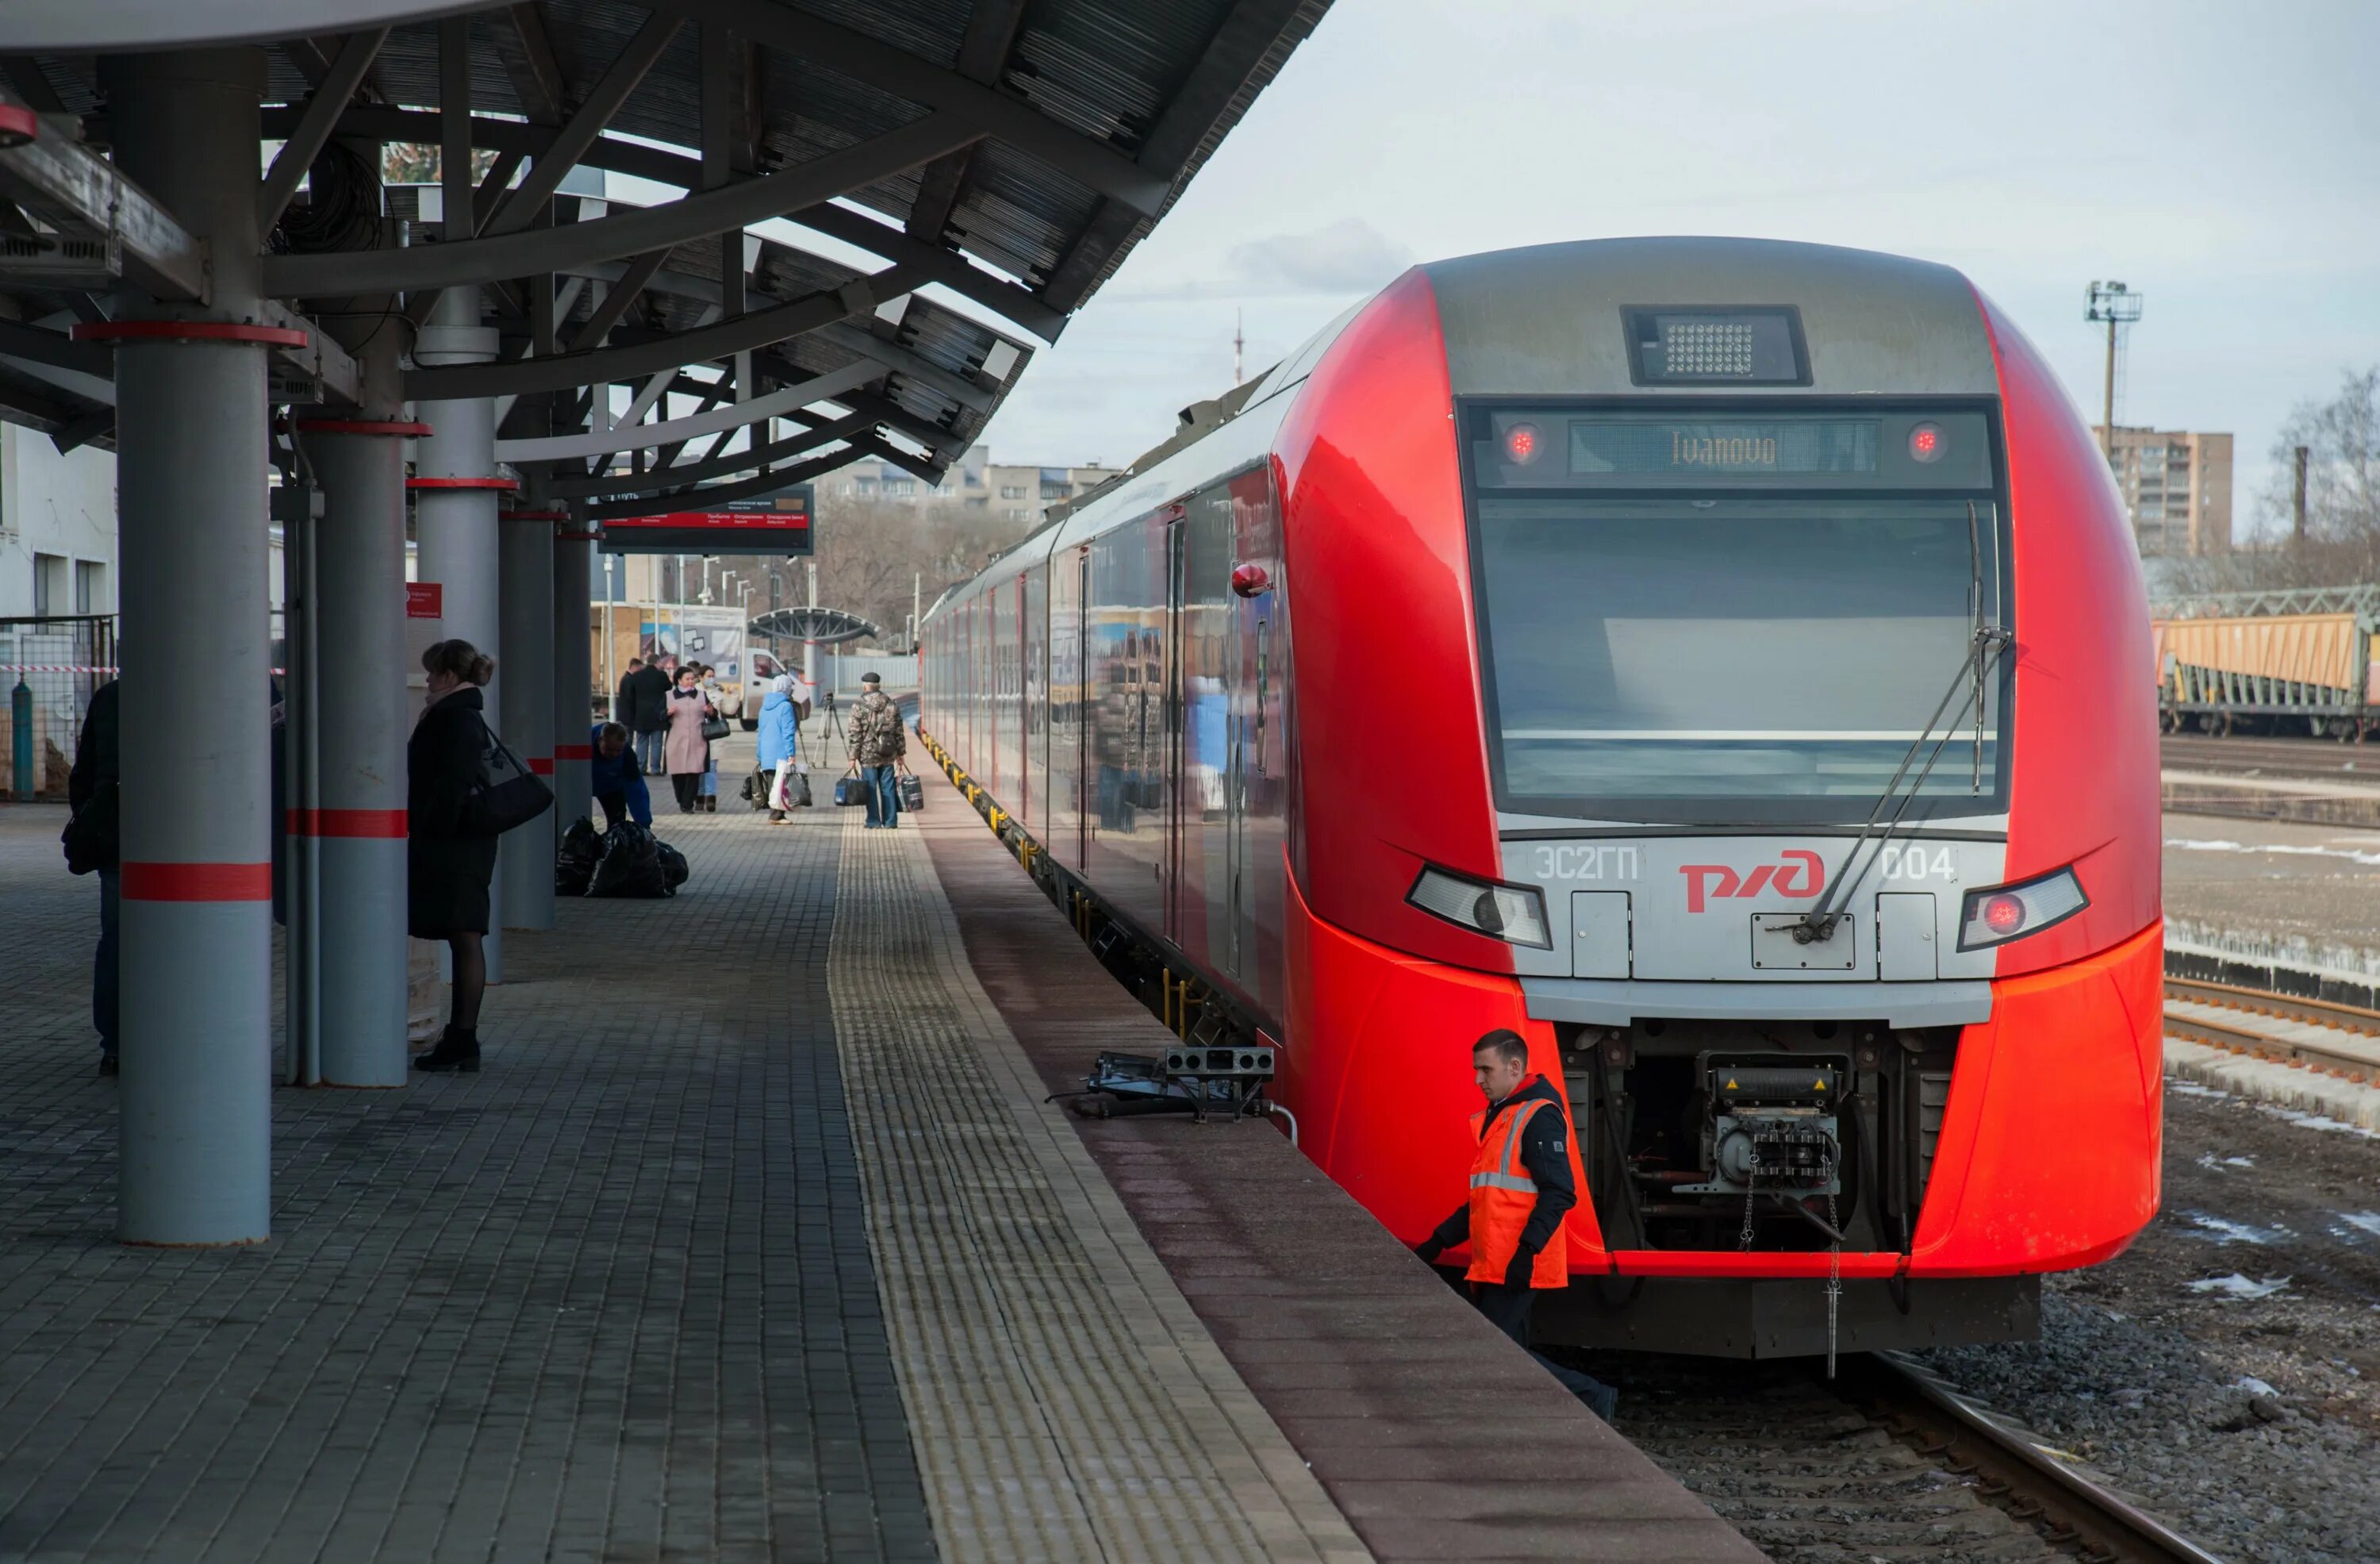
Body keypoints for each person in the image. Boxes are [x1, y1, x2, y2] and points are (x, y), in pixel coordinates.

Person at [1413, 1029, 1618, 1420]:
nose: (1478, 1079)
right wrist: (1438, 1242)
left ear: (1514, 1067)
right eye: (1477, 1070)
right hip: (1499, 1262)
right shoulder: (1506, 1114)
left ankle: (1592, 1396)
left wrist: (1527, 1252)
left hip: (1518, 1262)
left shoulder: (1536, 1117)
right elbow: (1487, 1198)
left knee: (1491, 1349)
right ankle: (1552, 1408)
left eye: (1485, 1070)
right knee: (1510, 1353)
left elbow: (1560, 1192)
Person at [409, 639, 502, 1074]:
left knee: (465, 936)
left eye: (432, 672)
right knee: (464, 935)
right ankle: (462, 1039)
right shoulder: (461, 714)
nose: (427, 680)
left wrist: (429, 832)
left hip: (455, 844)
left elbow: (450, 787)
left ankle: (463, 1037)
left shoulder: (456, 718)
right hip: (465, 841)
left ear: (448, 676)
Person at [66, 678, 121, 1076]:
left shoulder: (110, 696)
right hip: (193, 847)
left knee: (118, 942)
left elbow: (81, 774)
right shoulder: (212, 688)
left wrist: (94, 818)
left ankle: (115, 1045)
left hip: (117, 836)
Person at [847, 671, 907, 828]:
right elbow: (899, 731)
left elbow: (855, 733)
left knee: (871, 788)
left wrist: (852, 757)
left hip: (867, 754)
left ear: (866, 686)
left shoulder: (858, 706)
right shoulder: (891, 704)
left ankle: (873, 821)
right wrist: (901, 753)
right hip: (888, 752)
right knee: (888, 787)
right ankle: (890, 821)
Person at [662, 663, 717, 813]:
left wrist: (711, 712)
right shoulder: (669, 696)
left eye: (692, 678)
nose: (691, 681)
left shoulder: (701, 695)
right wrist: (667, 713)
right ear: (679, 680)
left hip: (697, 740)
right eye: (687, 679)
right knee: (678, 773)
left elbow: (714, 717)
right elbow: (658, 717)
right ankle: (682, 800)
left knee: (694, 773)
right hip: (676, 740)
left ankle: (688, 805)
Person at [588, 721, 652, 830]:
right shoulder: (584, 742)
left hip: (611, 787)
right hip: (580, 786)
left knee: (618, 825)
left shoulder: (628, 756)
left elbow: (637, 791)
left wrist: (644, 826)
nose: (614, 754)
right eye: (609, 749)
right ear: (600, 740)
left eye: (618, 751)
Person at [756, 672, 800, 822]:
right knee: (781, 785)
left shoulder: (764, 707)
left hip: (767, 751)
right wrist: (791, 753)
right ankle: (777, 815)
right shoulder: (786, 706)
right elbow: (788, 732)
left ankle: (774, 814)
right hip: (780, 751)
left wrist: (760, 754)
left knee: (771, 783)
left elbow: (760, 732)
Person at [622, 654, 671, 775]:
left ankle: (641, 768)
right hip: (658, 715)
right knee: (657, 743)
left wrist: (635, 711)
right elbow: (669, 687)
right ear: (658, 662)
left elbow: (631, 696)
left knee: (641, 742)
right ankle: (655, 769)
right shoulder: (661, 675)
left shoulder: (636, 676)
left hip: (641, 715)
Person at [613, 657, 644, 724]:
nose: (641, 671)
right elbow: (630, 697)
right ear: (634, 667)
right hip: (628, 715)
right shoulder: (629, 680)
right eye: (640, 669)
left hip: (626, 714)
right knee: (628, 733)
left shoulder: (626, 678)